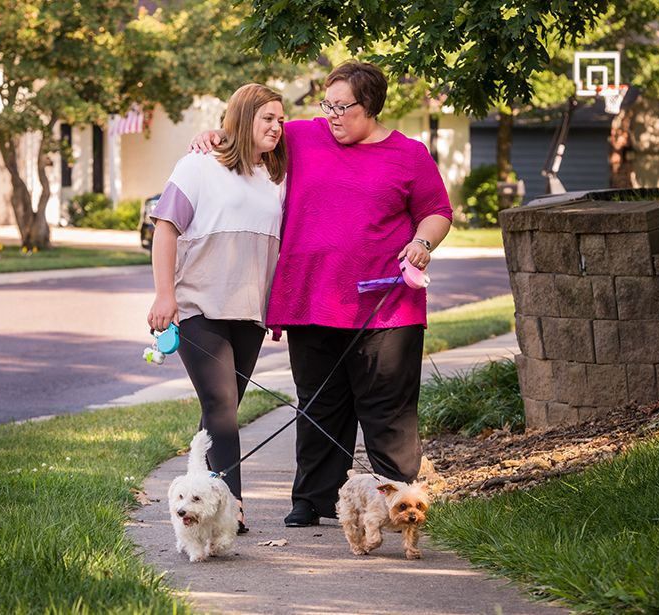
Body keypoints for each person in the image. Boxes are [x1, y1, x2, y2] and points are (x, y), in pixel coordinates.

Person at [192, 62, 451, 527]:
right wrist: (218, 135)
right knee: (318, 407)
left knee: (386, 408)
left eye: (342, 107)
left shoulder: (409, 155)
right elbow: (255, 131)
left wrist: (422, 243)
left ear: (368, 106)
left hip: (386, 307)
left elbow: (437, 211)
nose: (331, 115)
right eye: (326, 104)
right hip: (311, 300)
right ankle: (313, 499)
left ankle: (400, 504)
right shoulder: (303, 136)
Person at [148, 83, 287, 533]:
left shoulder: (276, 176)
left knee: (219, 412)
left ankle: (196, 500)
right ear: (244, 118)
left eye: (282, 119)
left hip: (248, 311)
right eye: (268, 118)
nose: (278, 127)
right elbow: (166, 229)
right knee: (221, 405)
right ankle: (233, 512)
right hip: (198, 304)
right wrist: (164, 295)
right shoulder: (198, 165)